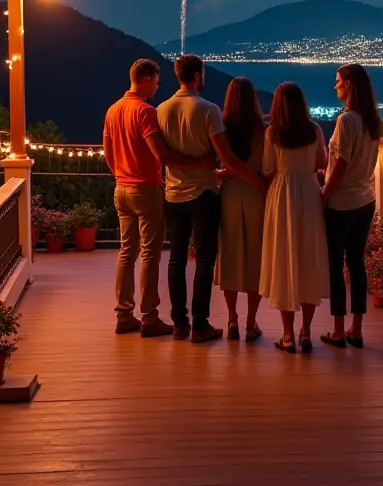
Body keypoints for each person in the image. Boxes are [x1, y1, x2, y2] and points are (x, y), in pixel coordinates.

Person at [157, 55, 267, 343]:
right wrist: (254, 180)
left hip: (173, 193)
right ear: (197, 76)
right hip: (205, 193)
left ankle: (180, 323)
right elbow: (228, 158)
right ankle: (201, 324)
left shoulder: (162, 110)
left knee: (176, 259)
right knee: (205, 261)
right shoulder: (208, 110)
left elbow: (163, 156)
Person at [103, 58, 216, 337]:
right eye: (155, 81)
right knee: (150, 254)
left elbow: (108, 154)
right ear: (144, 79)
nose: (157, 86)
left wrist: (120, 174)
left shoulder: (113, 110)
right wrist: (199, 163)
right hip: (146, 188)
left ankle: (123, 314)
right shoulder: (145, 112)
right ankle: (150, 317)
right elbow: (162, 155)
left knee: (126, 252)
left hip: (121, 188)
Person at [259, 82, 329, 354]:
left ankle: (287, 335)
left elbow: (267, 168)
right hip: (309, 195)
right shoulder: (314, 130)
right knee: (308, 258)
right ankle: (306, 332)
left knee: (283, 259)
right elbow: (320, 163)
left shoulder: (272, 133)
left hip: (281, 195)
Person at [320, 64, 382, 350]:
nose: (334, 87)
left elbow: (341, 162)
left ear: (348, 84)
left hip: (342, 203)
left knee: (335, 265)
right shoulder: (372, 120)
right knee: (356, 264)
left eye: (337, 82)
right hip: (366, 200)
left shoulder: (346, 121)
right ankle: (356, 329)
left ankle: (337, 329)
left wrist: (325, 192)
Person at [215, 78, 267, 342]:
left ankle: (232, 318)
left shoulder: (221, 128)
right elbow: (267, 166)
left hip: (230, 196)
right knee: (255, 258)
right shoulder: (262, 130)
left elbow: (220, 165)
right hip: (256, 195)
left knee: (230, 256)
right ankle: (250, 322)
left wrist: (225, 174)